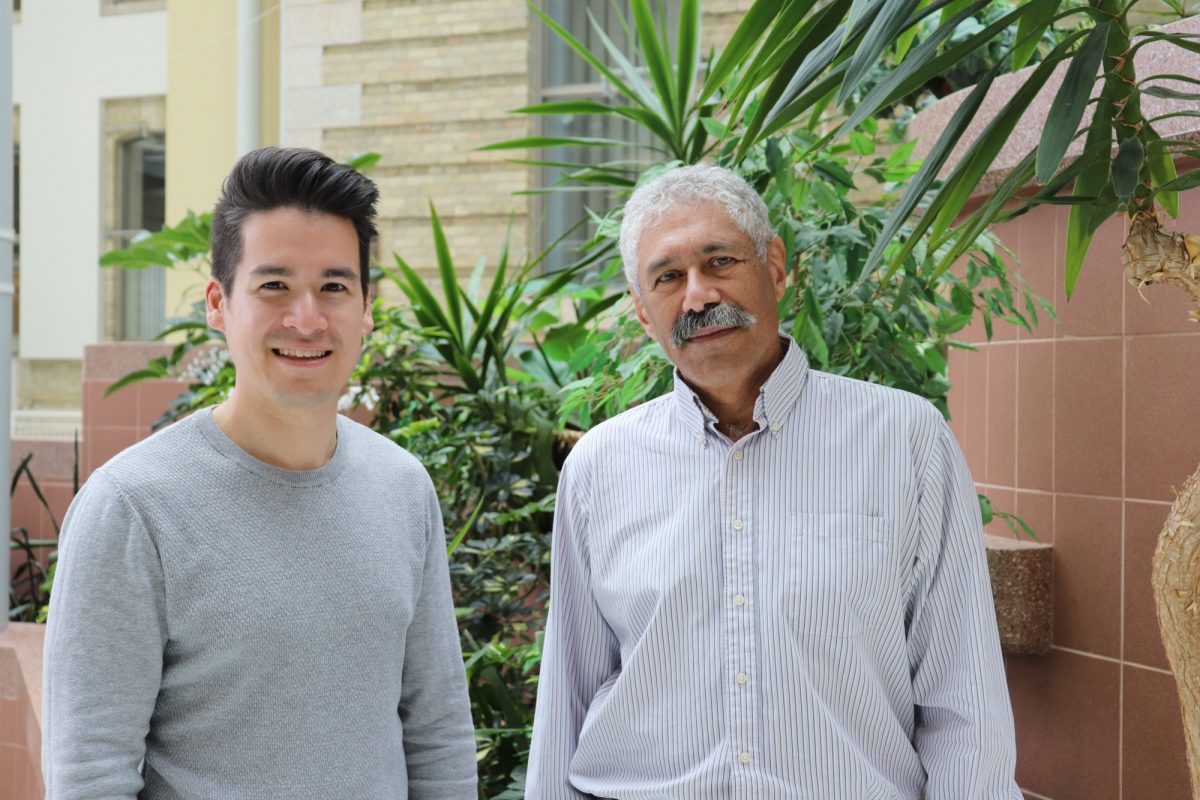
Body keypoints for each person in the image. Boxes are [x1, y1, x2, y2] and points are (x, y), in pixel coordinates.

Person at [526, 164, 1021, 799]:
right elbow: (566, 694)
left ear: (776, 267)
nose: (698, 295)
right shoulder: (599, 467)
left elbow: (963, 698)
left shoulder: (903, 440)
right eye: (668, 277)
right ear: (644, 313)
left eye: (719, 260)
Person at [42, 147, 476, 799]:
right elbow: (89, 774)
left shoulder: (403, 487)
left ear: (366, 308)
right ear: (217, 304)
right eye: (274, 286)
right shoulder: (132, 507)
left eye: (334, 286)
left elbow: (438, 736)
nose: (307, 319)